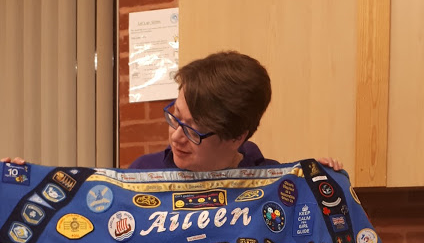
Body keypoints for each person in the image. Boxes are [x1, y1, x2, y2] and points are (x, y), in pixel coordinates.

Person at [129, 50, 342, 172]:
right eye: (176, 118)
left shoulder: (273, 183)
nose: (176, 137)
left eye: (192, 131)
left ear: (236, 137)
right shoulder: (143, 172)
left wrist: (321, 181)